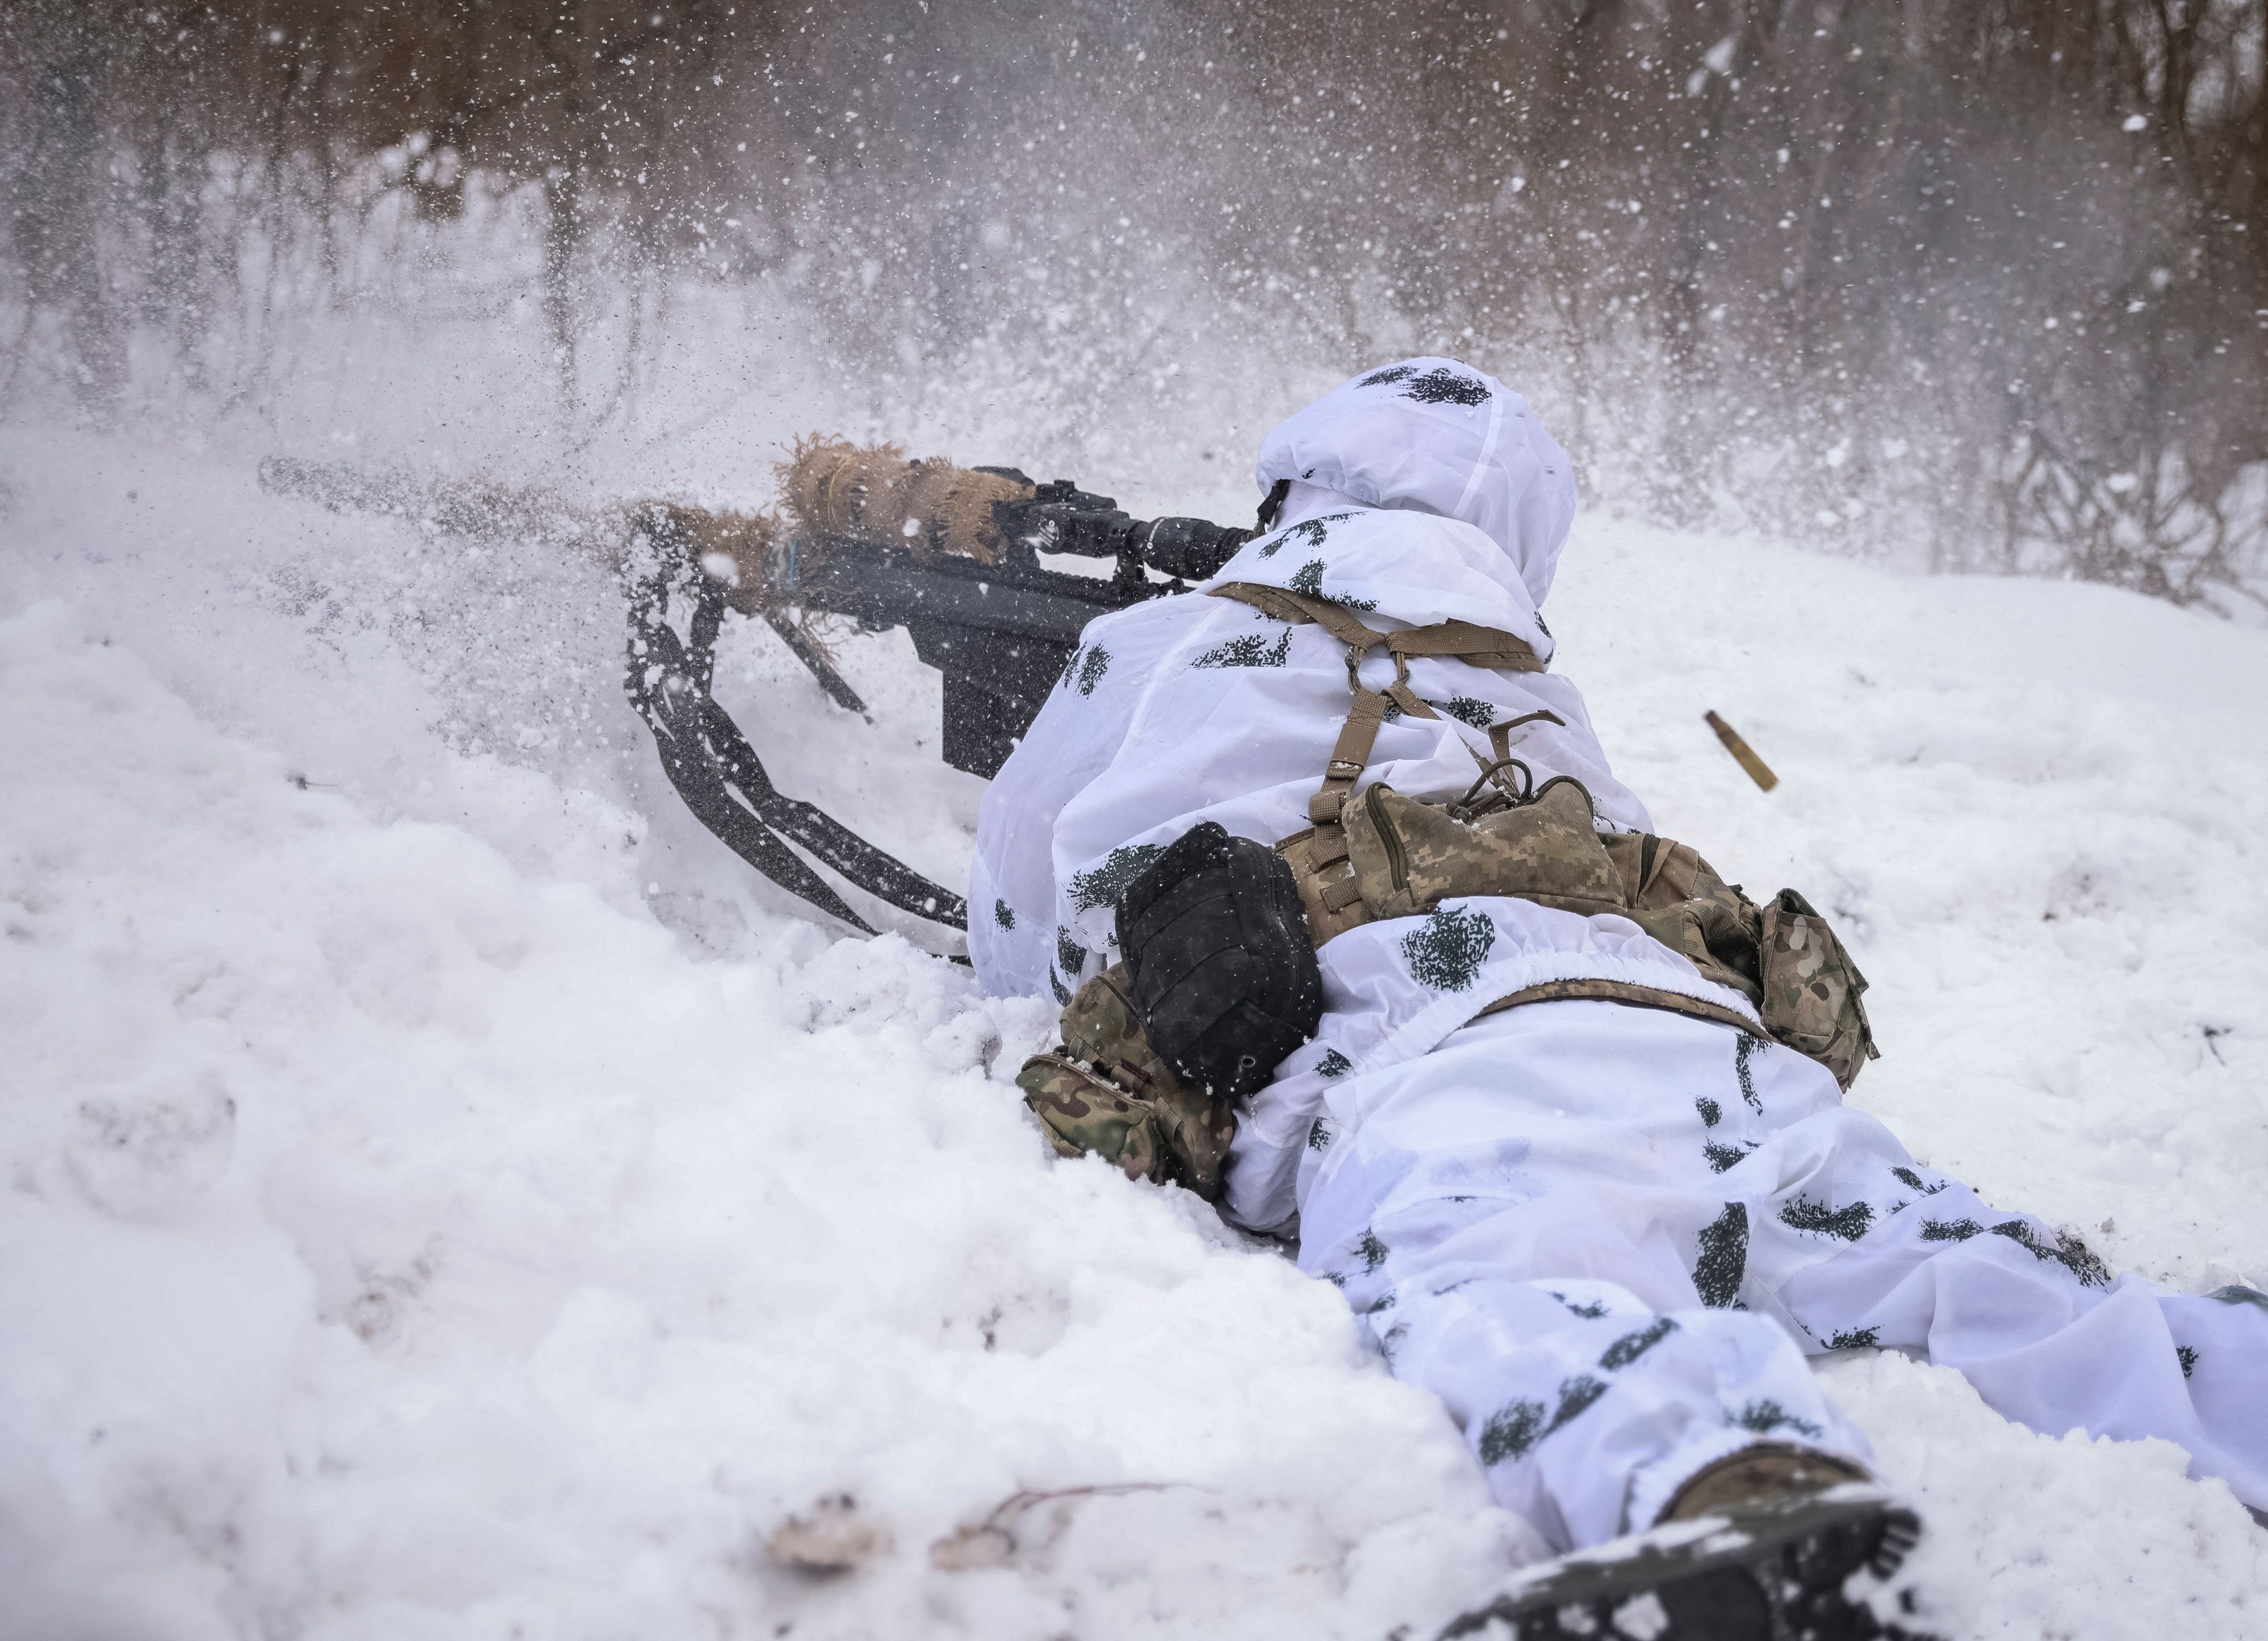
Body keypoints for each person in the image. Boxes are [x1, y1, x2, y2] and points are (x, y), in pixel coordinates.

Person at [970, 360, 2267, 1631]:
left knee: (1507, 1281)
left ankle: (1731, 1497)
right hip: (1697, 1035)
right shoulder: (1529, 688)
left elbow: (1018, 903)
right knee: (1944, 1253)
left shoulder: (1164, 640)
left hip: (1434, 1058)